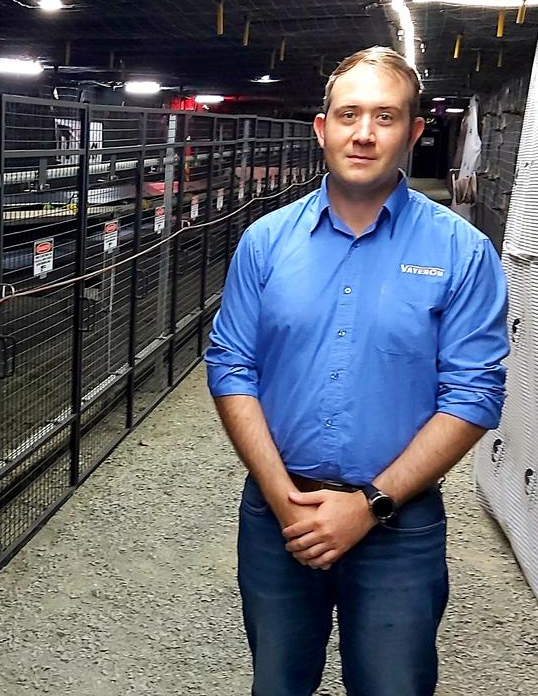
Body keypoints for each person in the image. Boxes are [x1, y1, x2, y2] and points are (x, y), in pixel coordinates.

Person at [205, 46, 508, 696]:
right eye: (348, 115)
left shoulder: (461, 253)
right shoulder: (265, 243)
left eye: (385, 116)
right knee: (278, 683)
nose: (364, 133)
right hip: (279, 516)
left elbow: (474, 396)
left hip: (399, 526)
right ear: (322, 129)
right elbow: (231, 366)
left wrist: (368, 506)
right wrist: (282, 497)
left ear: (414, 131)